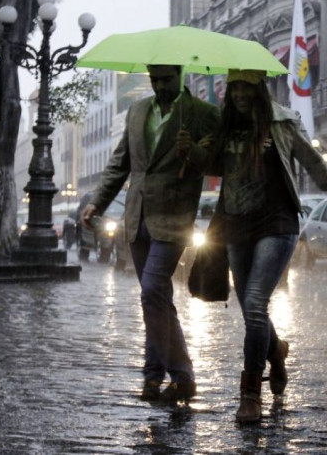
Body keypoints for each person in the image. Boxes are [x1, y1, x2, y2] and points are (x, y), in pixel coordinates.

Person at [210, 69, 327, 423]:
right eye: (235, 88)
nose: (240, 94)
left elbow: (311, 158)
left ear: (259, 89)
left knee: (255, 304)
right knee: (250, 309)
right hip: (236, 224)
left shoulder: (283, 122)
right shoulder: (224, 127)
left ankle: (250, 394)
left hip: (277, 221)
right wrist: (190, 149)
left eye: (246, 87)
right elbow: (209, 165)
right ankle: (277, 351)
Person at [81, 64, 219, 405]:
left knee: (151, 291)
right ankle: (184, 377)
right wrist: (97, 202)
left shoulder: (203, 114)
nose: (160, 86)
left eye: (166, 79)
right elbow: (120, 163)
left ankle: (153, 375)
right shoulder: (138, 110)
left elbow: (217, 164)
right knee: (158, 298)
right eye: (154, 79)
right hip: (136, 217)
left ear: (180, 75)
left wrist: (193, 152)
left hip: (173, 219)